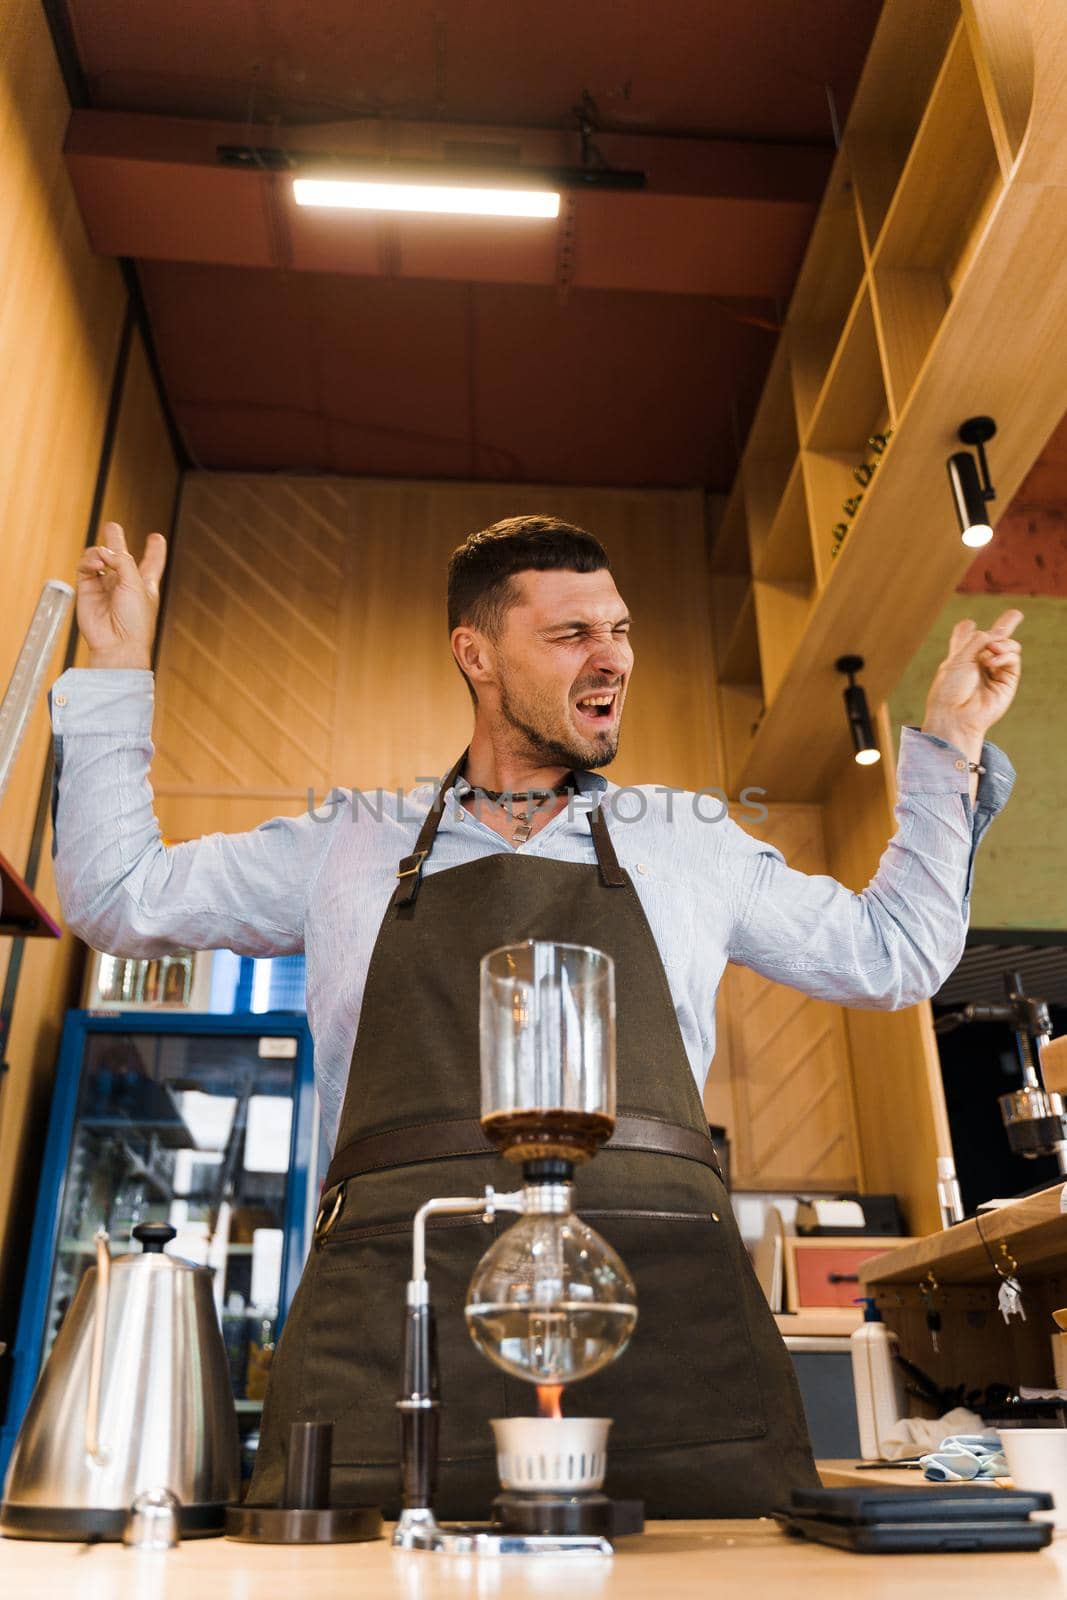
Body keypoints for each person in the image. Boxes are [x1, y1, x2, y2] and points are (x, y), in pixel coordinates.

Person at [49, 514, 1021, 1518]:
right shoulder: (345, 844)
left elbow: (891, 952)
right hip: (394, 1327)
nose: (612, 657)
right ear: (476, 654)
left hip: (665, 1326)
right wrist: (117, 671)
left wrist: (948, 741)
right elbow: (120, 895)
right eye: (570, 635)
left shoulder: (687, 843)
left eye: (621, 628)